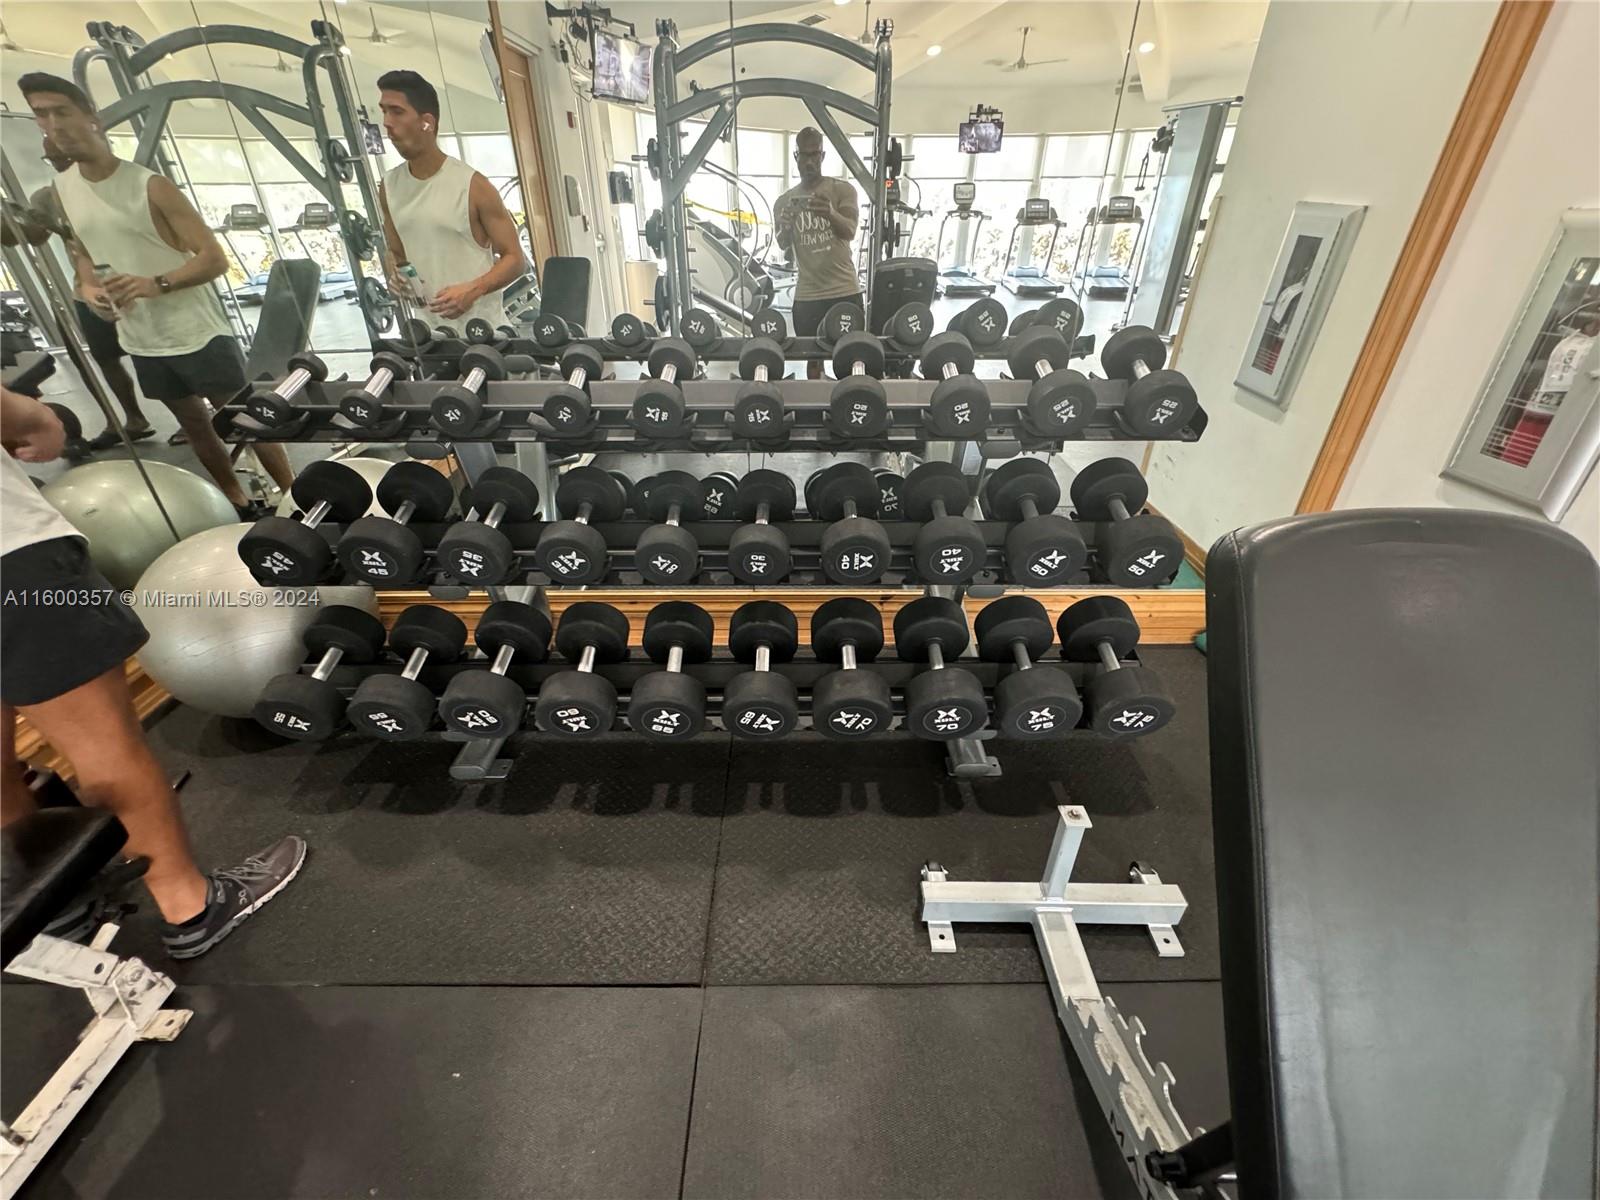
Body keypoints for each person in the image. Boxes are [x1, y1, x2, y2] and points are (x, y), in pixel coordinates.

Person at [0, 384, 305, 959]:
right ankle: (192, 907)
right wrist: (36, 419)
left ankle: (55, 907)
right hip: (9, 561)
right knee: (104, 749)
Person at [18, 72, 293, 517]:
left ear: (92, 117)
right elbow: (82, 252)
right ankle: (235, 501)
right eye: (41, 115)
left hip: (197, 332)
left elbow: (214, 258)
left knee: (246, 420)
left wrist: (156, 283)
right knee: (194, 425)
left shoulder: (150, 186)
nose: (53, 125)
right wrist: (89, 288)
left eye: (62, 112)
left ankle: (294, 496)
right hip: (142, 338)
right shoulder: (62, 191)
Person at [14, 134, 155, 451]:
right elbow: (34, 236)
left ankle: (190, 416)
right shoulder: (48, 196)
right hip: (89, 290)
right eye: (53, 160)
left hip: (134, 282)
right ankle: (131, 420)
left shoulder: (121, 187)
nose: (60, 165)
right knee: (105, 357)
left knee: (155, 353)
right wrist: (21, 222)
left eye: (64, 157)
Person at [374, 70, 526, 330]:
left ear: (427, 122)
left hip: (483, 333)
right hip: (429, 334)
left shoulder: (474, 186)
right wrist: (395, 274)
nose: (387, 122)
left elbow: (515, 259)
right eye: (384, 111)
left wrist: (473, 289)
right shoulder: (389, 186)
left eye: (397, 112)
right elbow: (396, 253)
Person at [774, 127, 861, 379]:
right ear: (796, 156)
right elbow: (783, 245)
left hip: (843, 290)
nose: (809, 161)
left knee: (850, 359)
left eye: (815, 155)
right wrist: (785, 227)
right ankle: (816, 403)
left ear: (822, 156)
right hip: (808, 295)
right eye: (804, 155)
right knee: (813, 361)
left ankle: (850, 400)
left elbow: (850, 230)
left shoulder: (843, 190)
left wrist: (830, 213)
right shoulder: (784, 202)